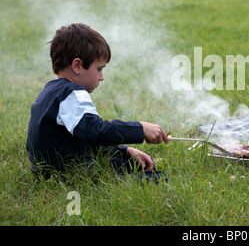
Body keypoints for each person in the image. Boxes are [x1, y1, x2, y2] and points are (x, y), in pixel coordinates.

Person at [26, 23, 170, 181]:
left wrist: (124, 150)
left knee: (135, 161)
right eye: (99, 69)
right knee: (157, 179)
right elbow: (95, 131)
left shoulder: (52, 90)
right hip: (67, 173)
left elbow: (82, 139)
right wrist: (140, 129)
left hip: (51, 169)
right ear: (77, 65)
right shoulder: (72, 93)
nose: (102, 77)